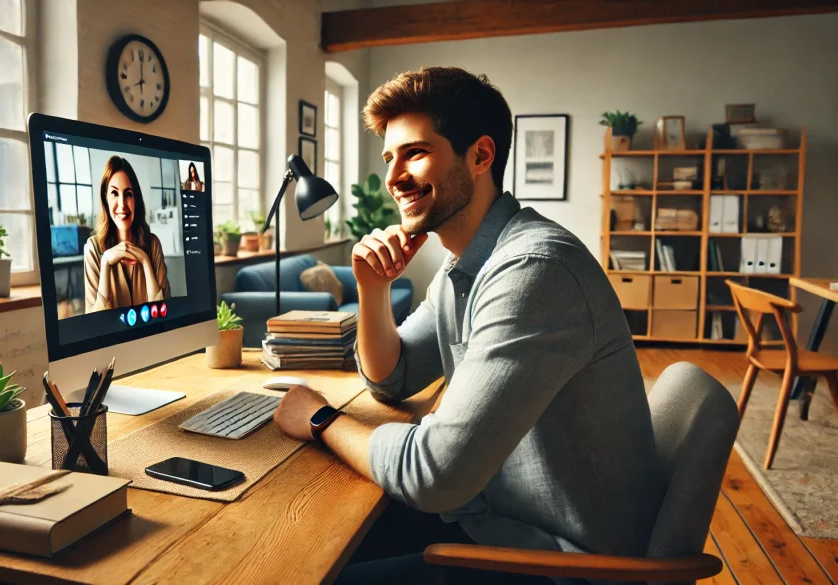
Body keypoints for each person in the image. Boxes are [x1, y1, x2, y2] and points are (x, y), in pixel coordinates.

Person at [272, 67, 662, 585]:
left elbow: (434, 476)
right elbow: (394, 378)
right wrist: (372, 288)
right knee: (302, 544)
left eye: (414, 153)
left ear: (480, 156)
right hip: (494, 517)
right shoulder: (466, 266)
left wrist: (321, 419)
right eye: (390, 157)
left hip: (561, 561)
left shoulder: (533, 270)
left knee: (308, 568)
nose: (392, 177)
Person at [84, 155, 170, 313]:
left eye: (128, 194)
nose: (122, 204)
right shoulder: (93, 248)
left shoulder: (153, 244)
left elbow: (163, 314)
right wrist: (105, 263)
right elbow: (96, 325)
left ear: (136, 199)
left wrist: (145, 261)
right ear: (105, 198)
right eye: (115, 194)